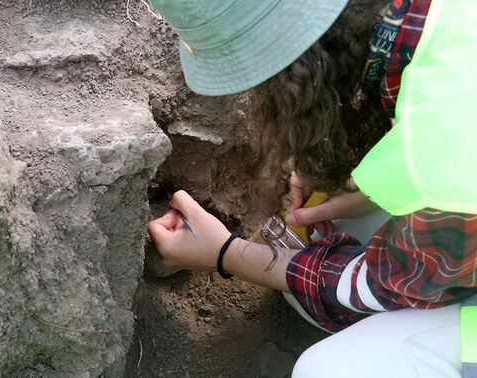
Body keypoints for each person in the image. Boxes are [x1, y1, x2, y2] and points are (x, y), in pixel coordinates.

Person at [146, 0, 477, 376]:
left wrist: (227, 254)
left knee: (327, 369)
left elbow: (369, 290)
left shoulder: (444, 164)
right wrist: (368, 184)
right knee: (350, 231)